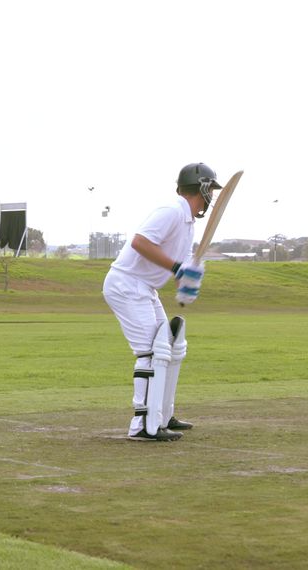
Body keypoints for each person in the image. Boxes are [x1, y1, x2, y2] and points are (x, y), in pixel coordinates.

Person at [102, 162, 220, 442]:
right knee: (150, 353)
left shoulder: (187, 222)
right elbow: (140, 243)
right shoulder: (172, 211)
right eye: (210, 191)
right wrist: (178, 268)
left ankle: (162, 416)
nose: (211, 198)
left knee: (171, 348)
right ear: (201, 188)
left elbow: (174, 262)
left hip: (145, 287)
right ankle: (142, 424)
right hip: (126, 284)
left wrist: (184, 281)